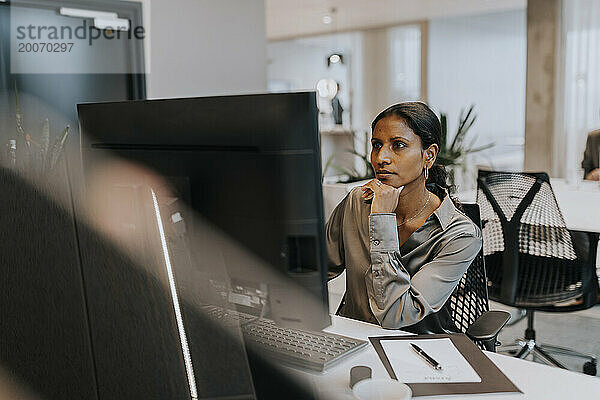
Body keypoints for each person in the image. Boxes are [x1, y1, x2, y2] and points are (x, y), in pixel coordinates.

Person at [326, 102, 482, 334]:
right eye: (376, 145)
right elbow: (316, 268)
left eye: (398, 145)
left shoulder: (461, 235)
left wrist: (382, 219)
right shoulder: (356, 202)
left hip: (417, 350)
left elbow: (396, 314)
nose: (381, 158)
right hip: (354, 337)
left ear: (428, 156)